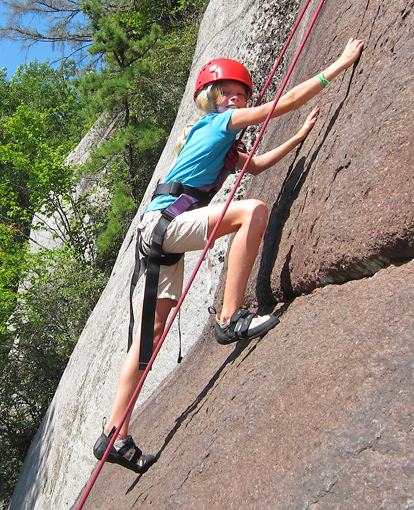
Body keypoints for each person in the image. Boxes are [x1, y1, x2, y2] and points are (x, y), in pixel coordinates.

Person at [93, 37, 364, 472]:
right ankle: (230, 318)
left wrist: (300, 136)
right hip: (165, 227)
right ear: (214, 100)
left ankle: (114, 435)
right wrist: (340, 63)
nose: (237, 99)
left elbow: (256, 166)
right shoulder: (219, 124)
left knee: (152, 334)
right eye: (230, 93)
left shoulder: (224, 145)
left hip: (160, 232)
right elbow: (289, 99)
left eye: (241, 94)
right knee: (252, 211)